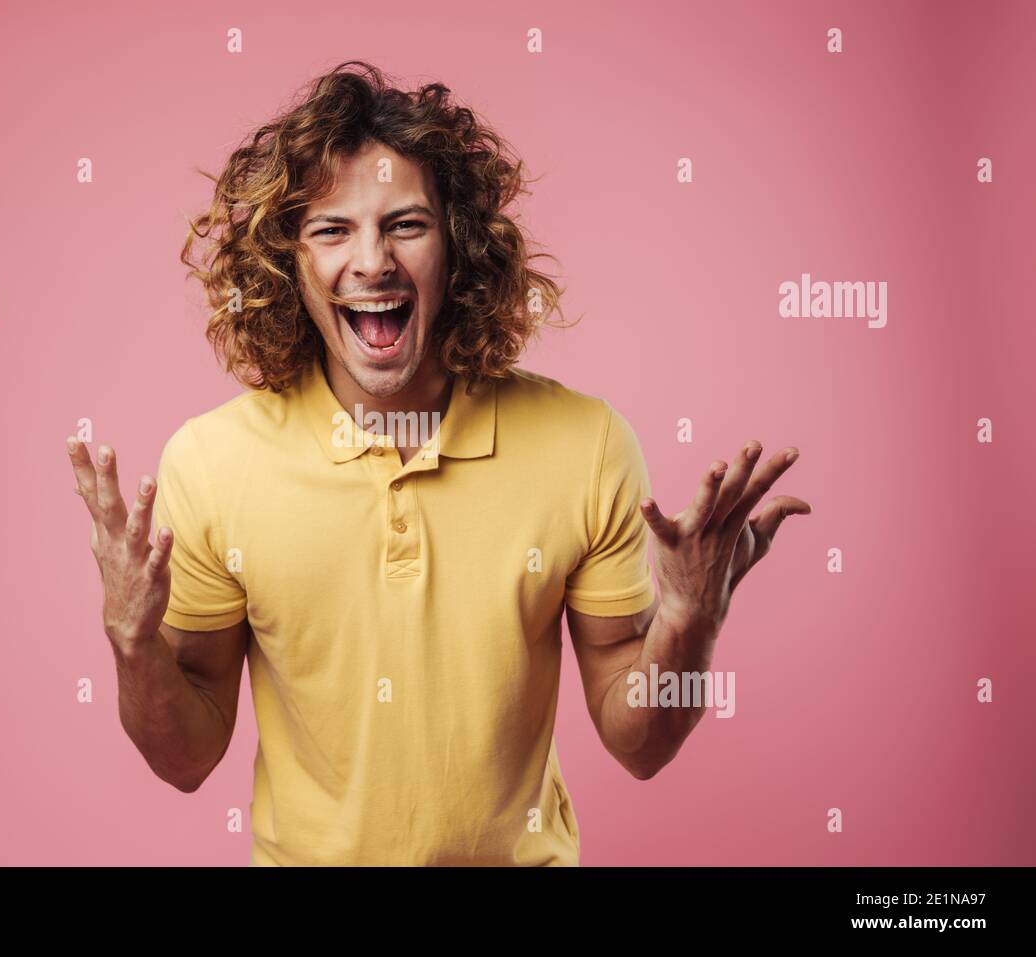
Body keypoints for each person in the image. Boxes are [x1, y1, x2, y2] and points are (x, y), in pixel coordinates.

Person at [66, 61, 811, 866]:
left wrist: (692, 617)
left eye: (406, 224)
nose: (373, 261)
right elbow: (185, 759)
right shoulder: (212, 463)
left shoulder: (584, 444)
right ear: (291, 265)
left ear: (458, 247)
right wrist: (131, 640)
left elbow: (641, 742)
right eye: (332, 230)